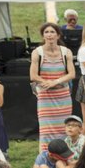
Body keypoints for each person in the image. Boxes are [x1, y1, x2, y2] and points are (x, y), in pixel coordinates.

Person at [29, 22, 75, 150]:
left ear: (58, 35)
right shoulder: (37, 52)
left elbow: (71, 74)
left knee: (64, 128)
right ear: (43, 36)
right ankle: (44, 158)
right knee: (46, 130)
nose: (49, 35)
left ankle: (63, 155)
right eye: (46, 32)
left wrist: (55, 82)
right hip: (45, 96)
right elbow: (33, 76)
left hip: (63, 96)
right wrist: (46, 82)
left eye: (52, 32)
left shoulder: (66, 52)